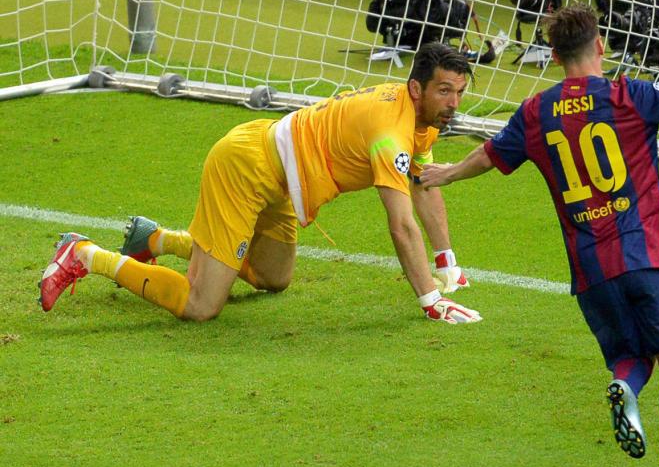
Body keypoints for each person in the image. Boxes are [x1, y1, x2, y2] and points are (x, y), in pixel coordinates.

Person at [421, 3, 659, 467]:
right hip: (649, 256)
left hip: (591, 270)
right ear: (600, 46)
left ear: (553, 56)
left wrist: (445, 174)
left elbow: (490, 154)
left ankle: (625, 386)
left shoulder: (536, 112)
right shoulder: (629, 95)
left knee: (630, 356)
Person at [39, 42, 481, 325]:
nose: (454, 103)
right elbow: (401, 225)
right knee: (201, 306)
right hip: (247, 168)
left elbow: (423, 181)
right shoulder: (391, 130)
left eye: (459, 92)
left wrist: (447, 260)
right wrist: (430, 300)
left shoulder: (422, 118)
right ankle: (84, 253)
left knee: (274, 278)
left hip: (281, 178)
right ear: (415, 88)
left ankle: (154, 239)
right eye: (444, 91)